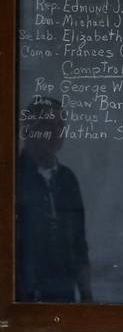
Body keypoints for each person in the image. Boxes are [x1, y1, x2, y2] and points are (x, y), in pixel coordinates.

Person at [16, 97, 92, 302]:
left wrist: (87, 297)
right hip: (21, 300)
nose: (56, 132)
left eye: (60, 125)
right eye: (47, 125)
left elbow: (79, 245)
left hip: (63, 297)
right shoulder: (11, 177)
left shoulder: (68, 180)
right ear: (29, 129)